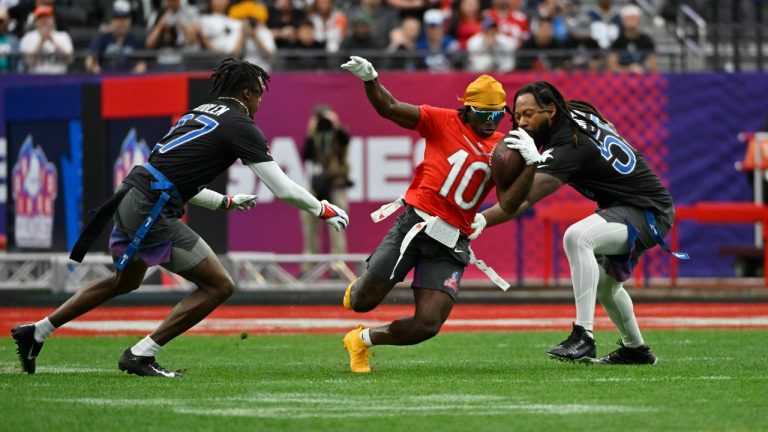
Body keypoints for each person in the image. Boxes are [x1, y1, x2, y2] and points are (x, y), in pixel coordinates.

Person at [11, 58, 349, 378]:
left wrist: (225, 202)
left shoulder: (198, 112)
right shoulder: (241, 124)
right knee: (220, 285)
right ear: (247, 93)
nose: (261, 101)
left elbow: (171, 175)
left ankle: (38, 331)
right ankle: (141, 354)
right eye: (260, 93)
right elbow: (282, 187)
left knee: (125, 281)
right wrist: (323, 208)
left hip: (133, 196)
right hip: (150, 208)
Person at [339, 55, 535, 373]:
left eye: (497, 114)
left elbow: (511, 204)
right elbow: (390, 108)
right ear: (467, 108)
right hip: (416, 224)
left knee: (428, 324)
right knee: (362, 301)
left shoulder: (505, 148)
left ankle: (361, 341)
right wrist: (370, 79)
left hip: (452, 239)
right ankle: (362, 284)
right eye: (483, 113)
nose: (490, 121)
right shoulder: (442, 120)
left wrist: (532, 164)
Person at [478, 80, 686, 365]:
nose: (521, 122)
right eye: (517, 116)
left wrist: (476, 222)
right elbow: (605, 124)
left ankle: (583, 335)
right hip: (632, 205)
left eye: (529, 114)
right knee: (607, 288)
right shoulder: (574, 112)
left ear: (550, 110)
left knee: (577, 237)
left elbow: (521, 200)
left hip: (646, 210)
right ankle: (636, 350)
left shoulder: (569, 146)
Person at [300, 105, 352, 266]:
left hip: (335, 184)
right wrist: (311, 132)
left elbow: (345, 139)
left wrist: (335, 125)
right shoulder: (314, 137)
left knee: (337, 225)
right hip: (316, 184)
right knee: (309, 226)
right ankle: (309, 266)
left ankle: (338, 266)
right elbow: (306, 155)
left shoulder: (339, 135)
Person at [19, 5, 73, 73]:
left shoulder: (63, 36)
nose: (44, 20)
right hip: (35, 79)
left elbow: (69, 60)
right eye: (40, 17)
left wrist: (53, 41)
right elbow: (29, 62)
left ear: (53, 19)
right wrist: (42, 40)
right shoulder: (28, 38)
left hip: (59, 78)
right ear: (35, 21)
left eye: (47, 17)